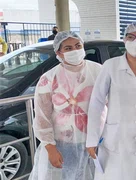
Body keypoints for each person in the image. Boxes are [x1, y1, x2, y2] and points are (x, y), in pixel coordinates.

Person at [86, 22, 136, 180]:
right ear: (124, 39)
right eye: (131, 37)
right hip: (116, 137)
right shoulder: (110, 66)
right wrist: (92, 139)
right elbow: (97, 102)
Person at [29, 31, 106, 180]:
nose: (75, 51)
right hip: (64, 144)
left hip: (96, 141)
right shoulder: (49, 78)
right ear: (59, 52)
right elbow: (42, 116)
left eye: (78, 46)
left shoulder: (99, 71)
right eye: (68, 48)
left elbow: (111, 103)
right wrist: (50, 147)